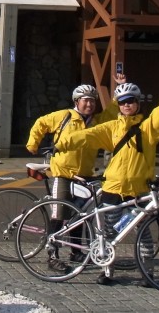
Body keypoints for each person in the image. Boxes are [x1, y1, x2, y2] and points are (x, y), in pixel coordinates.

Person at [53, 77, 159, 286]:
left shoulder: (148, 128)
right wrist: (60, 145)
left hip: (138, 191)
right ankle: (107, 271)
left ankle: (147, 274)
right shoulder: (112, 128)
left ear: (138, 102)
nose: (126, 105)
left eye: (130, 101)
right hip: (113, 188)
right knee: (108, 233)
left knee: (144, 233)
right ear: (118, 105)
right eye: (122, 102)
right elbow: (86, 136)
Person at [25, 79, 121, 270]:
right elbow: (41, 123)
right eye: (85, 100)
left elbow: (111, 113)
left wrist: (118, 93)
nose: (89, 104)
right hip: (63, 173)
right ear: (76, 101)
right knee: (59, 215)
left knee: (81, 216)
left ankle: (76, 253)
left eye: (92, 100)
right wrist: (32, 144)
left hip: (85, 174)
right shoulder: (64, 116)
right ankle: (52, 256)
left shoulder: (96, 121)